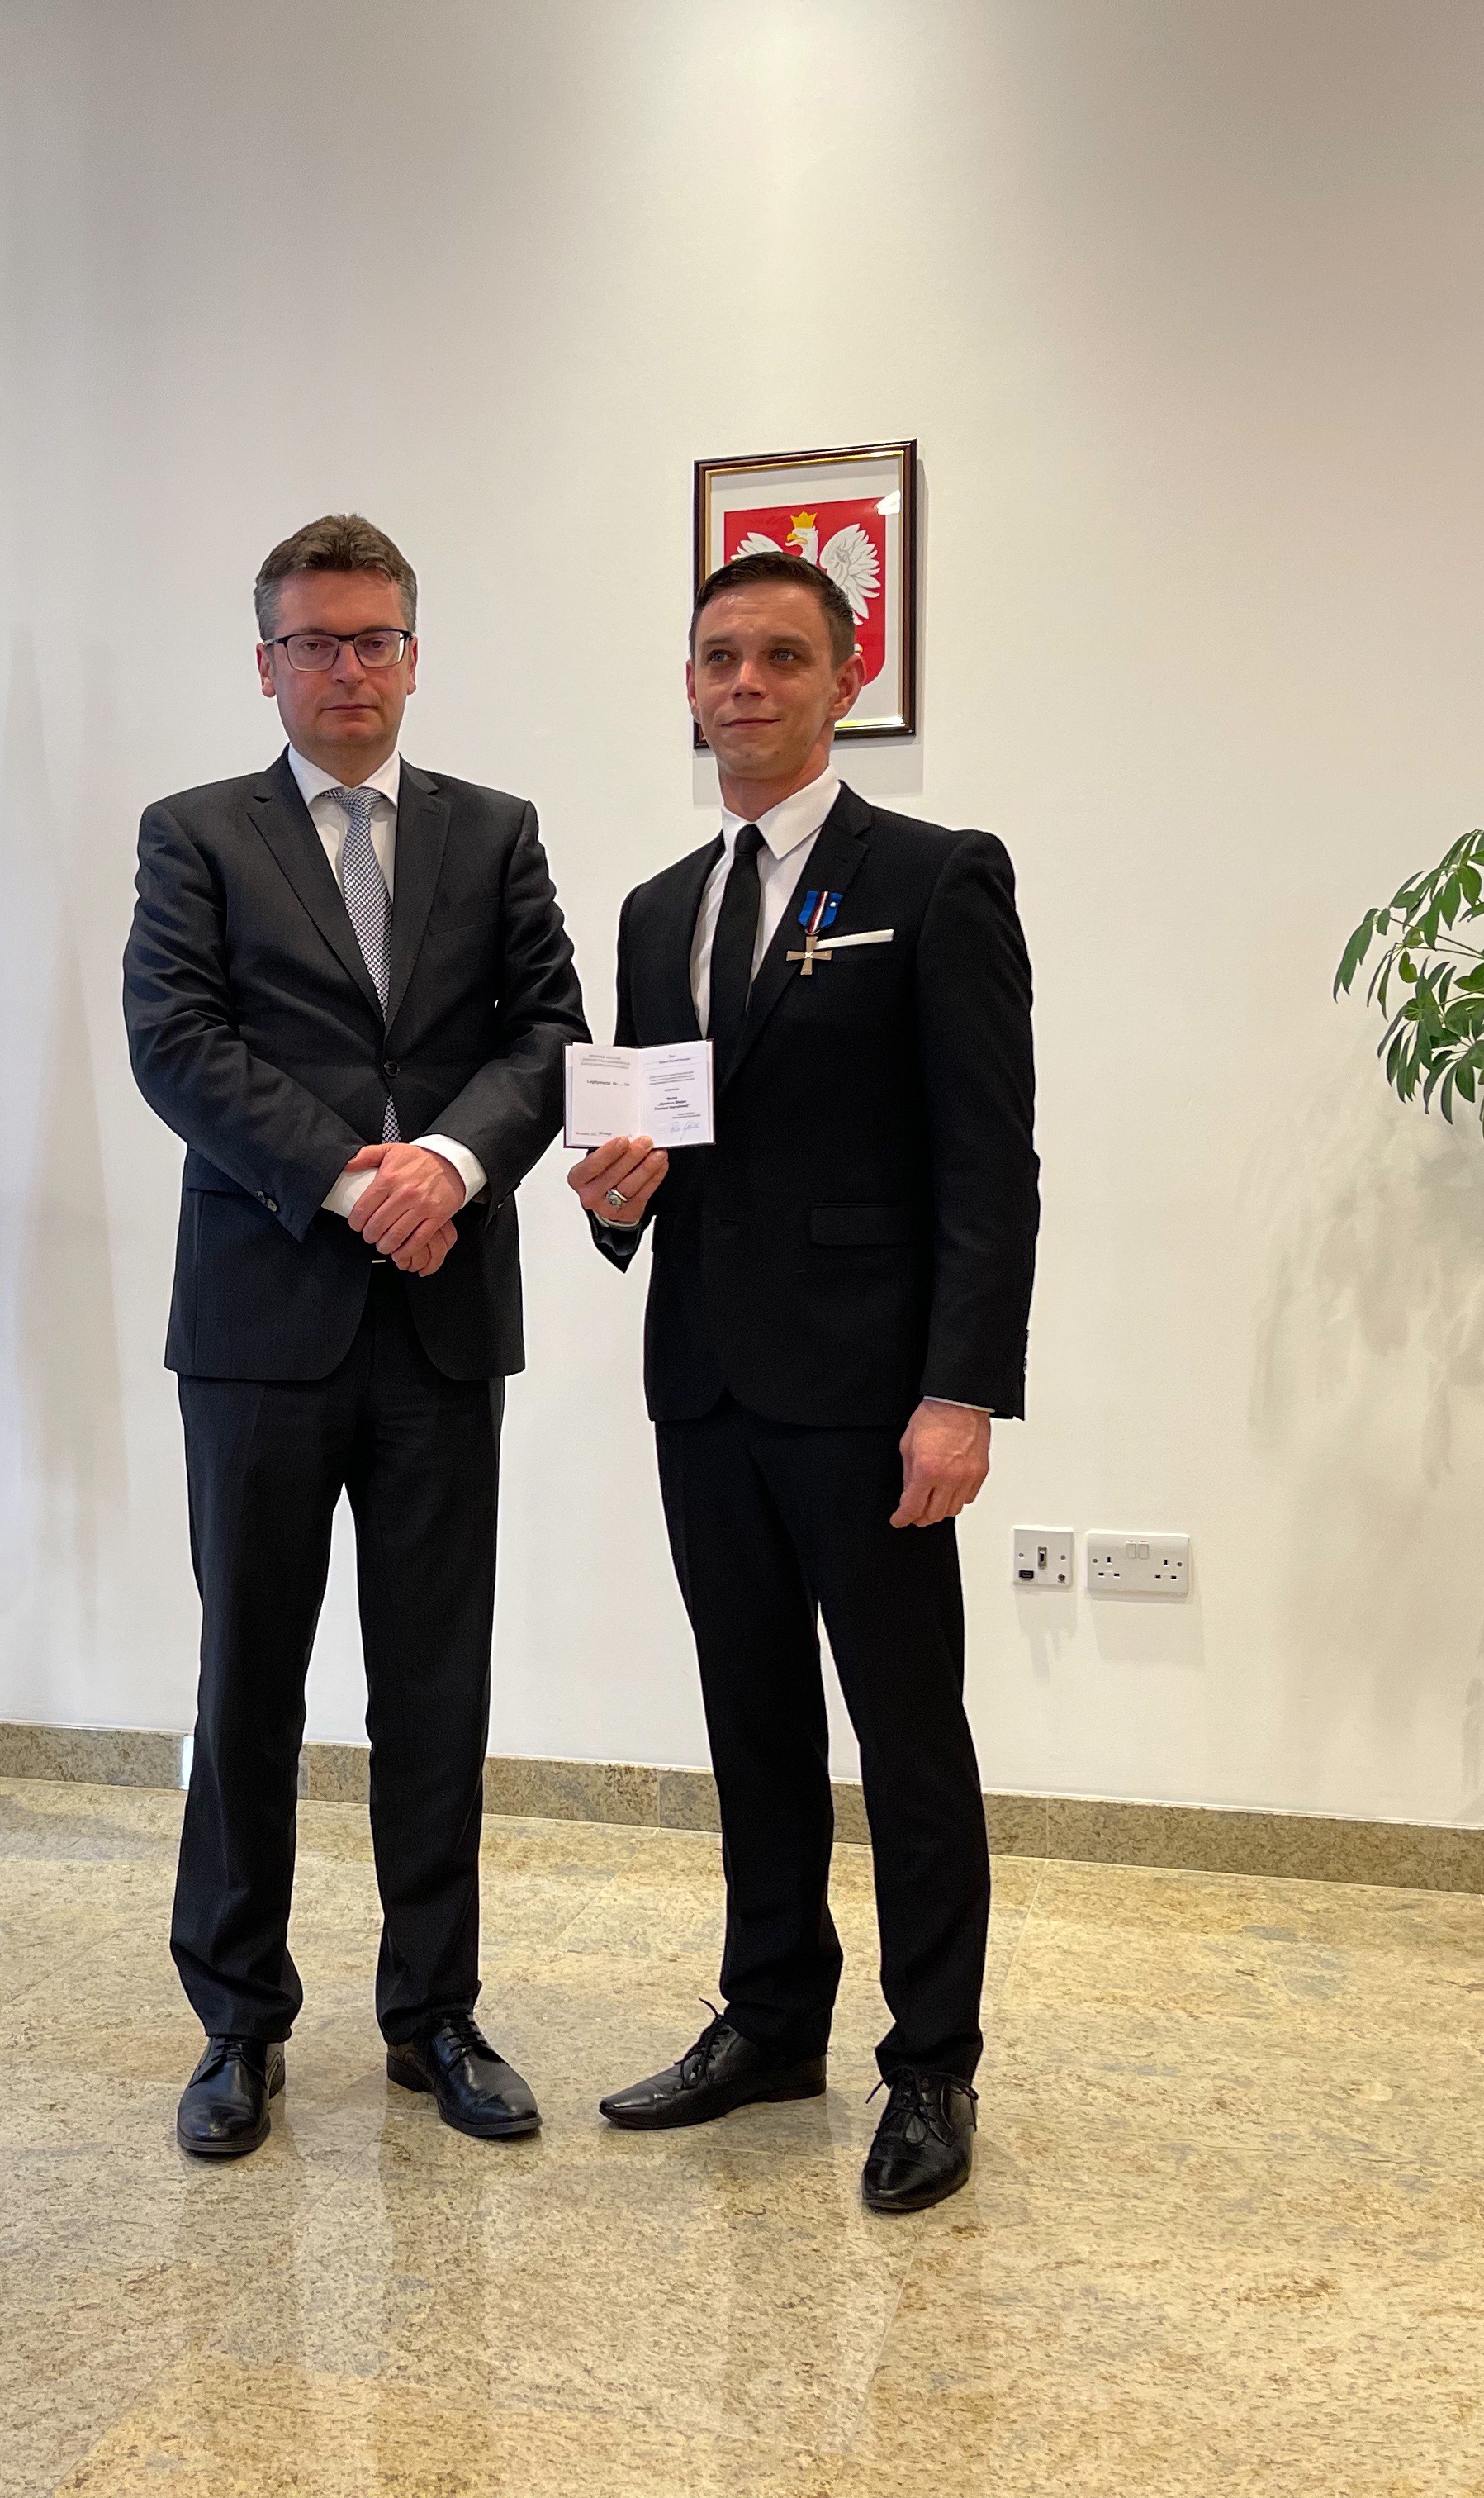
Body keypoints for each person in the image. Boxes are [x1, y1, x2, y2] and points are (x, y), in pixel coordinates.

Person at [566, 548, 1037, 2214]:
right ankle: (771, 2019)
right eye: (719, 658)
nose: (746, 684)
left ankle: (934, 2063)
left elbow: (989, 1162)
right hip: (704, 1382)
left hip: (870, 1395)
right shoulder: (655, 910)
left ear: (846, 678)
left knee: (906, 1734)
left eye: (781, 656)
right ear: (688, 688)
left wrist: (962, 1391)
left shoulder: (935, 875)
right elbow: (657, 1143)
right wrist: (614, 1202)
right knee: (751, 1719)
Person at [123, 515, 589, 2159]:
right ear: (266, 664)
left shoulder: (495, 832)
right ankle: (237, 2026)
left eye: (374, 638)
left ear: (413, 655)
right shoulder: (197, 834)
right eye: (314, 642)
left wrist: (448, 1165)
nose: (347, 668)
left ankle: (435, 2014)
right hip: (261, 1323)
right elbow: (176, 1042)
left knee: (434, 1686)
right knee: (247, 1680)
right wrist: (349, 1182)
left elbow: (550, 1033)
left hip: (442, 1321)